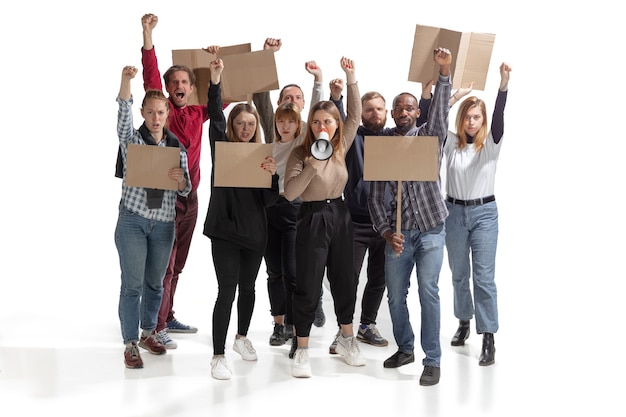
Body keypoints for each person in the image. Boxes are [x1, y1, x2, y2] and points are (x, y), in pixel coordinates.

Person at [368, 47, 452, 386]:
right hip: (399, 234)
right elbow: (375, 198)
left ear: (419, 111)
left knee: (428, 292)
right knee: (394, 295)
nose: (404, 111)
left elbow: (443, 114)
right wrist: (388, 233)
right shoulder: (383, 145)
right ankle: (406, 347)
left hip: (431, 230)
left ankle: (432, 360)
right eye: (398, 107)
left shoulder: (429, 138)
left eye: (410, 107)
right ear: (392, 113)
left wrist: (443, 73)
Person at [283, 56, 364, 378]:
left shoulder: (342, 145)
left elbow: (355, 114)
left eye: (327, 122)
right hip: (311, 216)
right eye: (316, 122)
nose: (321, 127)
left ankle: (347, 339)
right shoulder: (300, 153)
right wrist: (313, 166)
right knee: (308, 285)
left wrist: (351, 75)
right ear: (310, 125)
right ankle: (302, 348)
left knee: (345, 280)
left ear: (335, 126)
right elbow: (290, 193)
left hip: (341, 215)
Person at [203, 50, 279, 380]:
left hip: (254, 233)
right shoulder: (222, 148)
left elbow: (269, 201)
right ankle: (218, 356)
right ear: (232, 126)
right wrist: (216, 80)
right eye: (240, 123)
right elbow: (215, 119)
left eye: (251, 124)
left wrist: (272, 175)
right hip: (225, 231)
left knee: (248, 289)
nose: (246, 128)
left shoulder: (262, 155)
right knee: (227, 291)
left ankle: (241, 338)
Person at [115, 65, 192, 369]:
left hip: (163, 226)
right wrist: (126, 81)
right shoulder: (132, 141)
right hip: (133, 220)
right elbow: (122, 114)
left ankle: (149, 332)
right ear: (144, 113)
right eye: (151, 112)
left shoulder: (177, 149)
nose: (156, 118)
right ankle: (130, 343)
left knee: (155, 284)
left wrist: (181, 181)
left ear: (166, 114)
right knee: (132, 285)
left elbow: (185, 191)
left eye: (161, 112)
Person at [253, 38, 327, 353]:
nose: (292, 104)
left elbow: (319, 111)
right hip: (272, 209)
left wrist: (319, 82)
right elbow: (261, 99)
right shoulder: (272, 135)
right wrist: (267, 57)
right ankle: (279, 324)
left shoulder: (305, 141)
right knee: (275, 271)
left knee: (295, 272)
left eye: (298, 100)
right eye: (287, 99)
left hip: (297, 209)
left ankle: (299, 330)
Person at [140, 13, 204, 346]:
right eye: (174, 82)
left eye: (185, 83)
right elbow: (151, 73)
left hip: (190, 199)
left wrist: (213, 64)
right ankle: (155, 327)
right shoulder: (163, 111)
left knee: (177, 265)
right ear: (167, 89)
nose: (179, 87)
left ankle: (167, 315)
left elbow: (232, 90)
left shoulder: (198, 112)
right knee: (163, 266)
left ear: (192, 89)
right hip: (164, 199)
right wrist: (148, 35)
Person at [444, 62, 511, 367]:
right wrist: (456, 96)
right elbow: (434, 120)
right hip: (454, 213)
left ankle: (488, 336)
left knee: (484, 278)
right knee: (459, 275)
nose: (471, 122)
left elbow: (498, 119)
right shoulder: (451, 144)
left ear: (482, 120)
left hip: (484, 214)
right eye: (467, 117)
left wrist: (503, 85)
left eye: (476, 117)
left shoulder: (490, 145)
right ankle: (464, 321)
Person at [326, 85, 393, 354]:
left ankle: (367, 325)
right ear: (362, 114)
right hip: (355, 220)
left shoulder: (393, 138)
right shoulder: (353, 138)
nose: (374, 113)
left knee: (379, 277)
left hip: (387, 222)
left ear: (386, 112)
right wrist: (337, 98)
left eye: (379, 109)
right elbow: (344, 121)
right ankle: (344, 331)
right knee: (347, 278)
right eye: (369, 109)